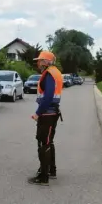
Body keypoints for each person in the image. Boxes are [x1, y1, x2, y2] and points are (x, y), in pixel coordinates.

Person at [28, 51, 64, 186]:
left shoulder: (49, 74)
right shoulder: (55, 72)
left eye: (40, 60)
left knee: (44, 143)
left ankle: (43, 177)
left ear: (46, 61)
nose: (38, 63)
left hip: (47, 114)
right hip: (52, 113)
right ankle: (51, 170)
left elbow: (48, 97)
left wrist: (38, 113)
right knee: (49, 141)